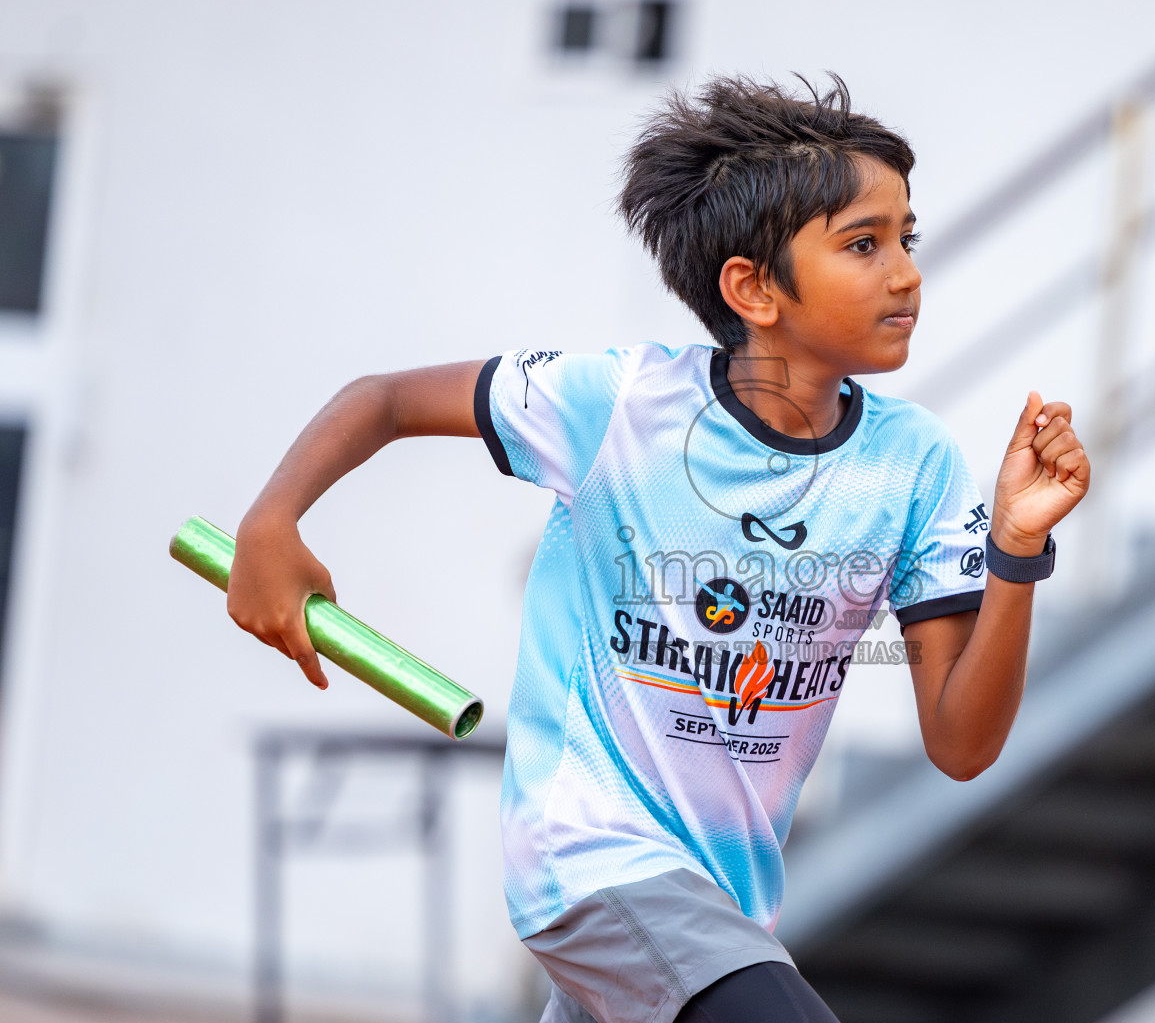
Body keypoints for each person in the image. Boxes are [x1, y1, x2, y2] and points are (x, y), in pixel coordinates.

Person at [227, 75, 1089, 1023]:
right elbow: (381, 399)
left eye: (906, 238)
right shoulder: (620, 408)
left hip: (725, 905)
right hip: (588, 860)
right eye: (863, 244)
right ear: (753, 288)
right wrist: (273, 525)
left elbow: (963, 744)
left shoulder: (914, 464)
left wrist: (1014, 550)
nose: (907, 273)